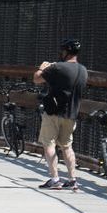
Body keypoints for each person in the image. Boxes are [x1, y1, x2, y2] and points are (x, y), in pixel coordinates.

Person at [34, 38, 88, 189]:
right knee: (67, 146)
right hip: (71, 114)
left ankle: (55, 179)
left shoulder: (57, 67)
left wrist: (42, 68)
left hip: (53, 112)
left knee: (49, 144)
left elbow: (36, 79)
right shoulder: (83, 70)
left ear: (66, 52)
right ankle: (72, 179)